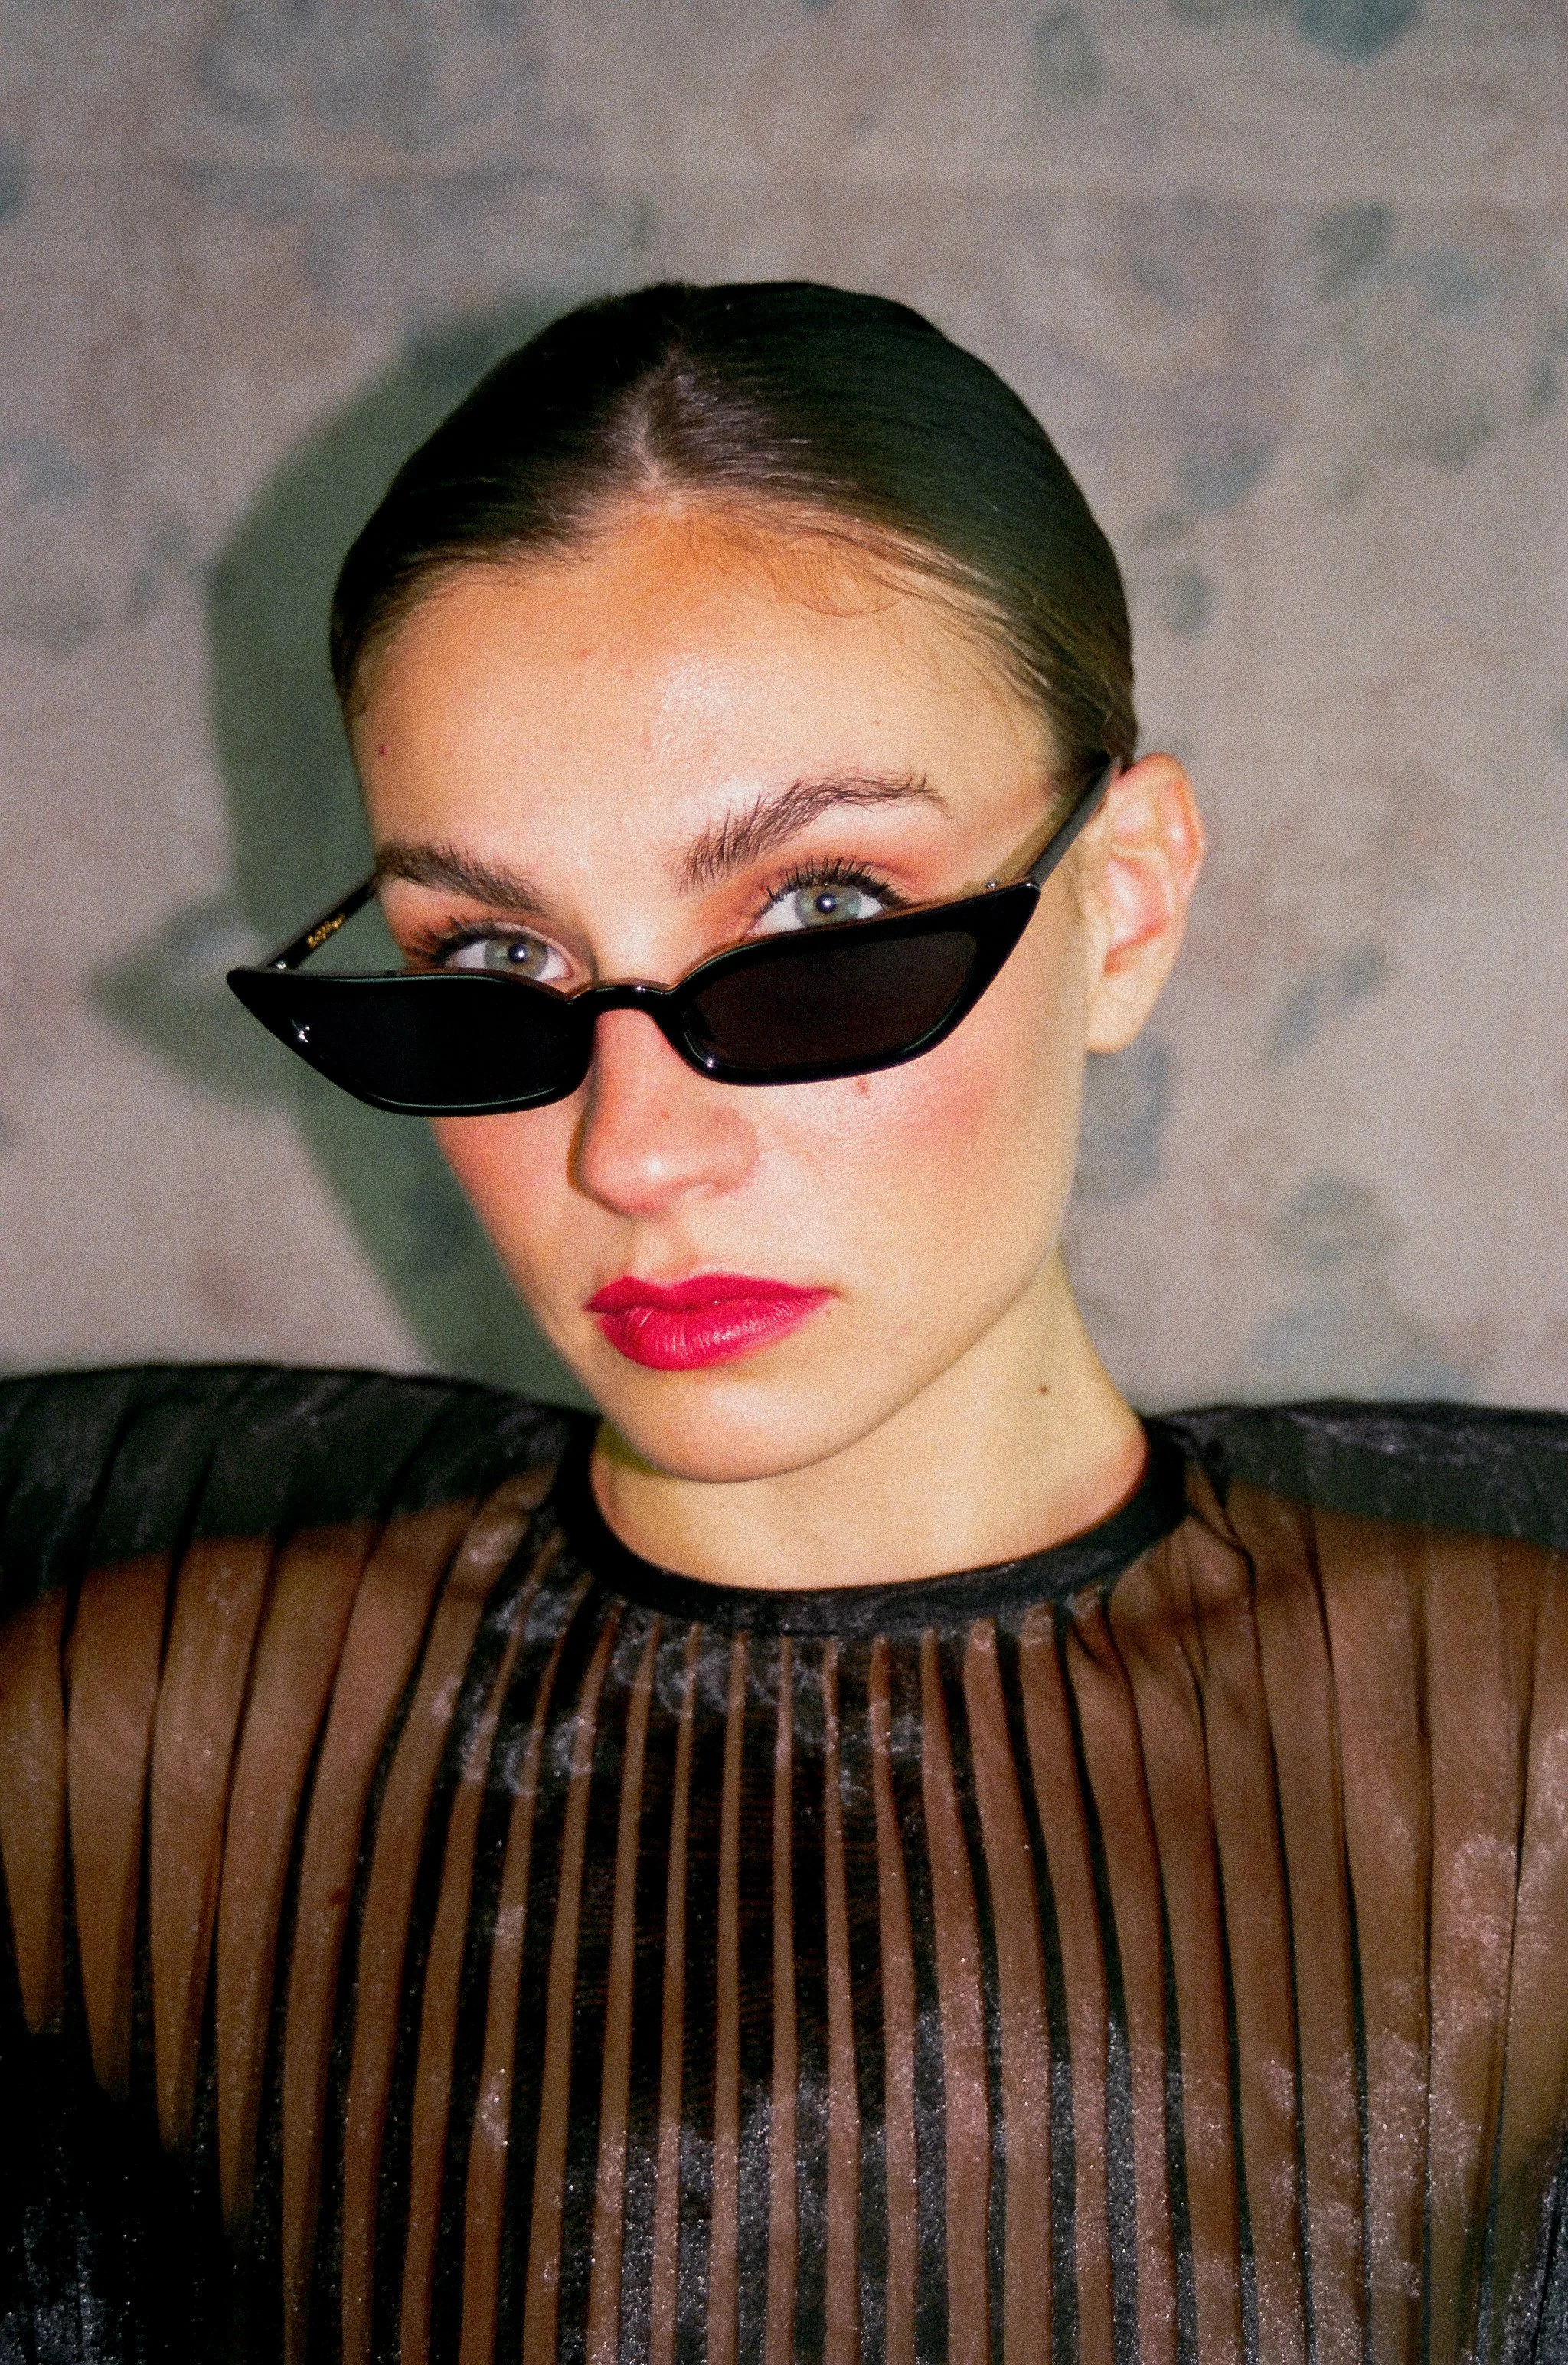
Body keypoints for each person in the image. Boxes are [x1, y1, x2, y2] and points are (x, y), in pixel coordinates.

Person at [2, 280, 1566, 2365]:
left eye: (820, 917)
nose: (632, 1150)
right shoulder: (124, 1766)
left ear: (1126, 903)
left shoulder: (1521, 1778)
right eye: (493, 955)